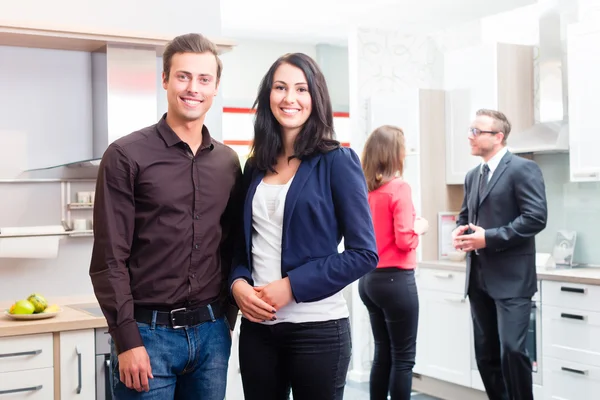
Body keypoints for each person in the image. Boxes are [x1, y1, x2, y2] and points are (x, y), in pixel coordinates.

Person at [89, 33, 242, 400]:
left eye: (204, 79)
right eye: (183, 76)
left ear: (216, 87)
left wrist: (227, 320)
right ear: (165, 79)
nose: (193, 88)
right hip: (147, 338)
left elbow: (232, 244)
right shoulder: (126, 155)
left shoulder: (228, 162)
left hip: (211, 337)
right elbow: (110, 259)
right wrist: (127, 340)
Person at [229, 52, 379, 400]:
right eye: (280, 87)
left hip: (318, 329)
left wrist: (291, 287)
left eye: (301, 89)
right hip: (258, 331)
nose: (289, 98)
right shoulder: (254, 166)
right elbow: (240, 247)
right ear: (268, 95)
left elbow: (364, 253)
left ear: (316, 97)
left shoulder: (337, 161)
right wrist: (237, 284)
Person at [452, 109, 547, 400]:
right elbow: (466, 215)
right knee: (486, 355)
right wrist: (460, 231)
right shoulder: (472, 176)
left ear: (498, 137)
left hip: (512, 279)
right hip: (478, 279)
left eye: (476, 131)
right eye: (470, 130)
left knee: (513, 351)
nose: (470, 136)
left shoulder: (523, 169)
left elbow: (535, 218)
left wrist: (487, 239)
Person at [358, 125, 428, 400]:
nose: (406, 152)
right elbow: (404, 240)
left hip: (369, 281)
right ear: (393, 153)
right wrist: (419, 227)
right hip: (396, 280)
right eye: (403, 147)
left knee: (382, 354)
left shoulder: (365, 191)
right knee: (403, 359)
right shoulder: (399, 187)